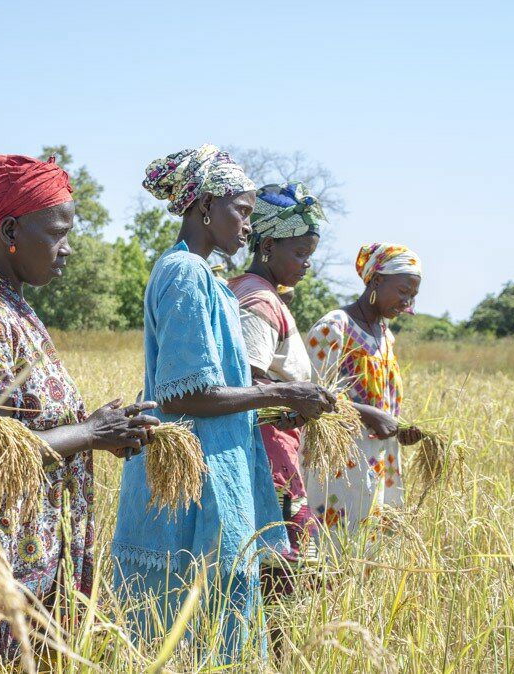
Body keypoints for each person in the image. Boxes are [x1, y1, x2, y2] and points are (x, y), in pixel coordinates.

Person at [0, 154, 160, 672]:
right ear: (9, 229)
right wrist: (90, 433)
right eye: (56, 233)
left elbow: (28, 430)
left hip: (35, 558)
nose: (67, 249)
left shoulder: (13, 307)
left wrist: (103, 430)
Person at [111, 146, 336, 662]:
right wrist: (283, 392)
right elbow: (188, 393)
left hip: (215, 466)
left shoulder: (203, 277)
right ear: (205, 207)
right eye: (241, 210)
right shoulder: (187, 274)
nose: (247, 225)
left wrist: (285, 405)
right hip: (197, 479)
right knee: (195, 635)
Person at [228, 182, 329, 597]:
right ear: (268, 245)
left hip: (272, 452)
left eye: (310, 254)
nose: (307, 264)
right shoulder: (259, 302)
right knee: (281, 579)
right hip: (269, 460)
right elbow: (245, 383)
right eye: (300, 253)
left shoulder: (252, 291)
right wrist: (296, 398)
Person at [305, 243, 424, 547]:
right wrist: (370, 415)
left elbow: (382, 401)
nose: (408, 301)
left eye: (413, 294)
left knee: (370, 550)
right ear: (377, 280)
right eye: (404, 290)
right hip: (338, 461)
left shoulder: (384, 335)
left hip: (380, 460)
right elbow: (312, 397)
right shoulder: (335, 327)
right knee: (334, 547)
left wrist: (399, 427)